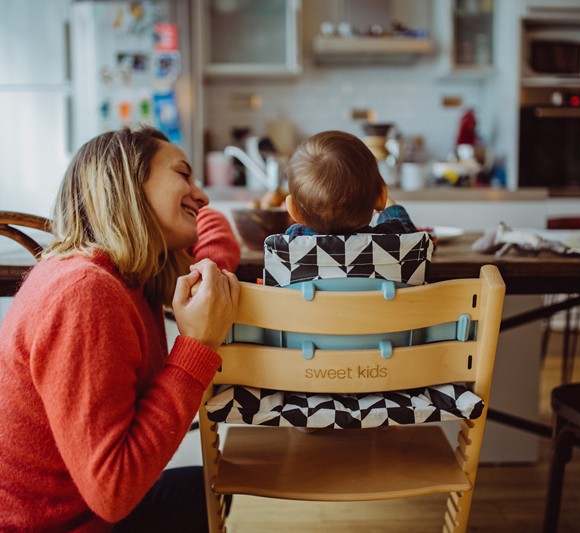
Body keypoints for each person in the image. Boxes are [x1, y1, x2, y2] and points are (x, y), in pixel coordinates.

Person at [0, 127, 240, 532]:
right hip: (46, 525)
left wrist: (209, 274)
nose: (201, 195)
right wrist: (197, 345)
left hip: (79, 510)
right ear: (128, 182)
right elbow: (113, 493)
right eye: (183, 175)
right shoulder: (85, 294)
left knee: (208, 488)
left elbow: (211, 227)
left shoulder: (127, 273)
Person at [284, 130, 418, 236]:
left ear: (293, 210)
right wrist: (391, 209)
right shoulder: (388, 238)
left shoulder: (294, 240)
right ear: (381, 196)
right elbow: (408, 233)